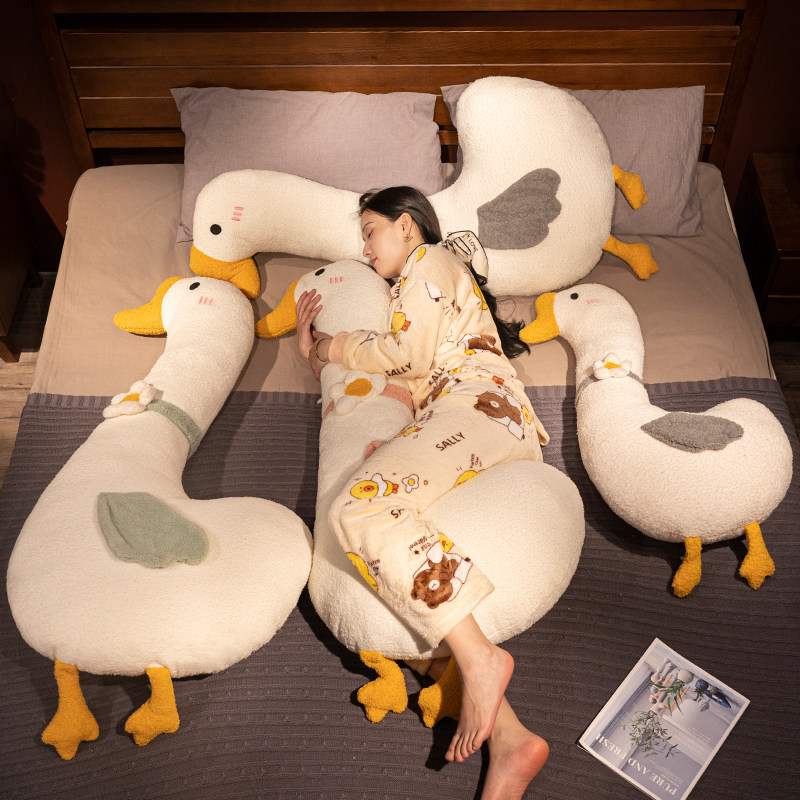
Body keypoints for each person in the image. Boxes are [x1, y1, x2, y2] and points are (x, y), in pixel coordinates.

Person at [296, 186, 550, 798]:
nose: (365, 249)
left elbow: (404, 355)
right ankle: (511, 740)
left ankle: (483, 659)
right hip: (468, 423)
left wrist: (330, 344)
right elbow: (403, 369)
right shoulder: (417, 289)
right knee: (381, 568)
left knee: (360, 507)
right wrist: (319, 362)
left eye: (370, 232)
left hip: (481, 411)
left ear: (407, 225)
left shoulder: (431, 261)